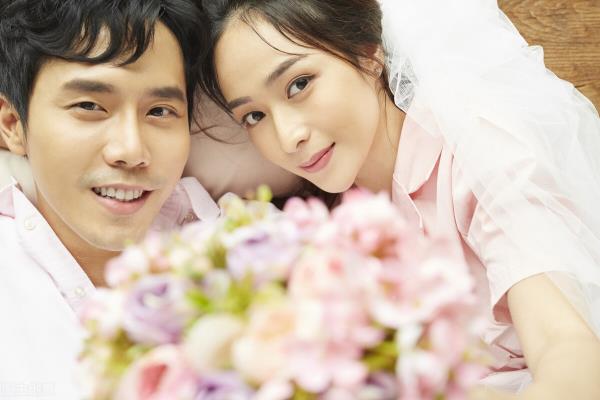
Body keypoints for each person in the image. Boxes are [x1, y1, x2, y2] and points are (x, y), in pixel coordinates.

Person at [198, 0, 600, 398]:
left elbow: (567, 346)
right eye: (254, 116)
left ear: (368, 54)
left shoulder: (479, 155)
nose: (288, 138)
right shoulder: (318, 232)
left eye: (299, 84)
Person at [0, 1, 219, 398]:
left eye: (160, 111)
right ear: (12, 124)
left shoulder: (255, 250)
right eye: (89, 106)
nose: (131, 150)